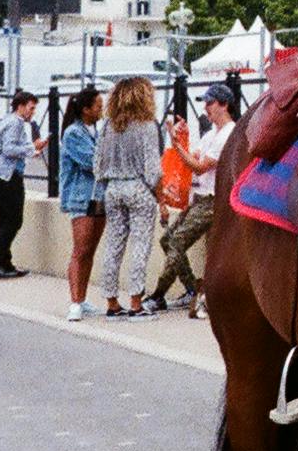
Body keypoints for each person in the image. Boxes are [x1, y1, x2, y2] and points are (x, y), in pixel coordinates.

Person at [147, 87, 232, 315]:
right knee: (168, 240)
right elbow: (190, 159)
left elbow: (200, 166)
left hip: (212, 201)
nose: (205, 108)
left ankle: (158, 295)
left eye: (210, 103)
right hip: (200, 198)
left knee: (176, 241)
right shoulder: (211, 134)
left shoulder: (227, 134)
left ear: (224, 104)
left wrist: (176, 145)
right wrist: (181, 139)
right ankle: (192, 290)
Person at [93, 75, 162, 317]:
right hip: (138, 188)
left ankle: (111, 301)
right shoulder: (147, 125)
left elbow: (98, 163)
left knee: (113, 244)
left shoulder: (109, 127)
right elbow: (153, 169)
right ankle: (135, 301)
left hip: (113, 188)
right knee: (140, 245)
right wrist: (158, 194)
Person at [0, 92, 43, 280]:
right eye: (31, 108)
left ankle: (4, 263)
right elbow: (8, 149)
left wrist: (31, 147)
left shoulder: (7, 121)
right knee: (14, 220)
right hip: (8, 176)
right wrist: (31, 149)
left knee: (4, 220)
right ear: (21, 106)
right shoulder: (16, 123)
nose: (33, 112)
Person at [59, 89, 105, 321]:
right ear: (85, 109)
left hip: (99, 196)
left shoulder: (97, 130)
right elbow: (92, 161)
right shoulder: (73, 133)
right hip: (82, 196)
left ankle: (83, 297)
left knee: (91, 251)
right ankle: (75, 301)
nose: (101, 110)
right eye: (97, 106)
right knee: (81, 249)